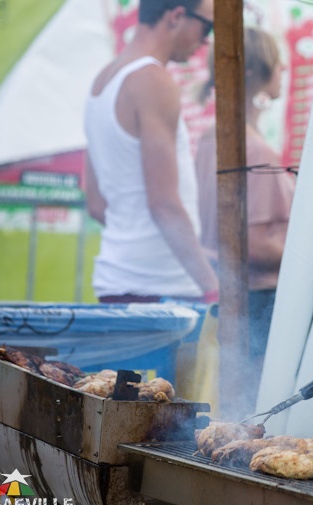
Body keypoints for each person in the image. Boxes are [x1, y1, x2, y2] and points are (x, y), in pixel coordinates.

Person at [84, 0, 219, 304]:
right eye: (207, 26)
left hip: (118, 280)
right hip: (159, 290)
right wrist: (213, 289)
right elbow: (164, 204)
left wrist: (187, 247)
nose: (206, 39)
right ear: (176, 16)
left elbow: (95, 203)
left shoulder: (102, 80)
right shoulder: (152, 81)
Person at [194, 26, 295, 416]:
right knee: (254, 411)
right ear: (261, 70)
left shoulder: (215, 137)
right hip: (259, 303)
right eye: (278, 62)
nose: (284, 69)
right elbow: (250, 244)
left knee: (240, 409)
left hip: (240, 298)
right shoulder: (248, 146)